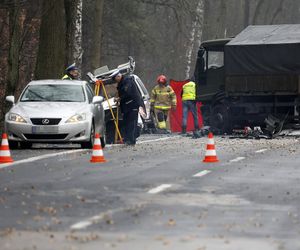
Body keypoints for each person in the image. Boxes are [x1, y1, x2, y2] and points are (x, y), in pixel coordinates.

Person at [110, 70, 144, 145]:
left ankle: (131, 140)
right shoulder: (123, 82)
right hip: (127, 106)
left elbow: (127, 92)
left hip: (132, 104)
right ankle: (127, 138)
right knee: (127, 122)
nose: (116, 81)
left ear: (118, 76)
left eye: (115, 79)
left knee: (131, 122)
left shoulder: (127, 81)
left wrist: (120, 98)